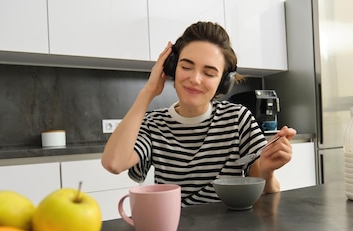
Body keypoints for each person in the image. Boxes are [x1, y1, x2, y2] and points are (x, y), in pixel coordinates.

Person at [101, 21, 297, 207]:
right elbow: (114, 163)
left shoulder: (238, 119)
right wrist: (148, 92)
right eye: (186, 67)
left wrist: (268, 171)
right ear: (172, 68)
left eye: (209, 73)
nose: (194, 79)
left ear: (223, 81)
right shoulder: (153, 124)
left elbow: (266, 189)